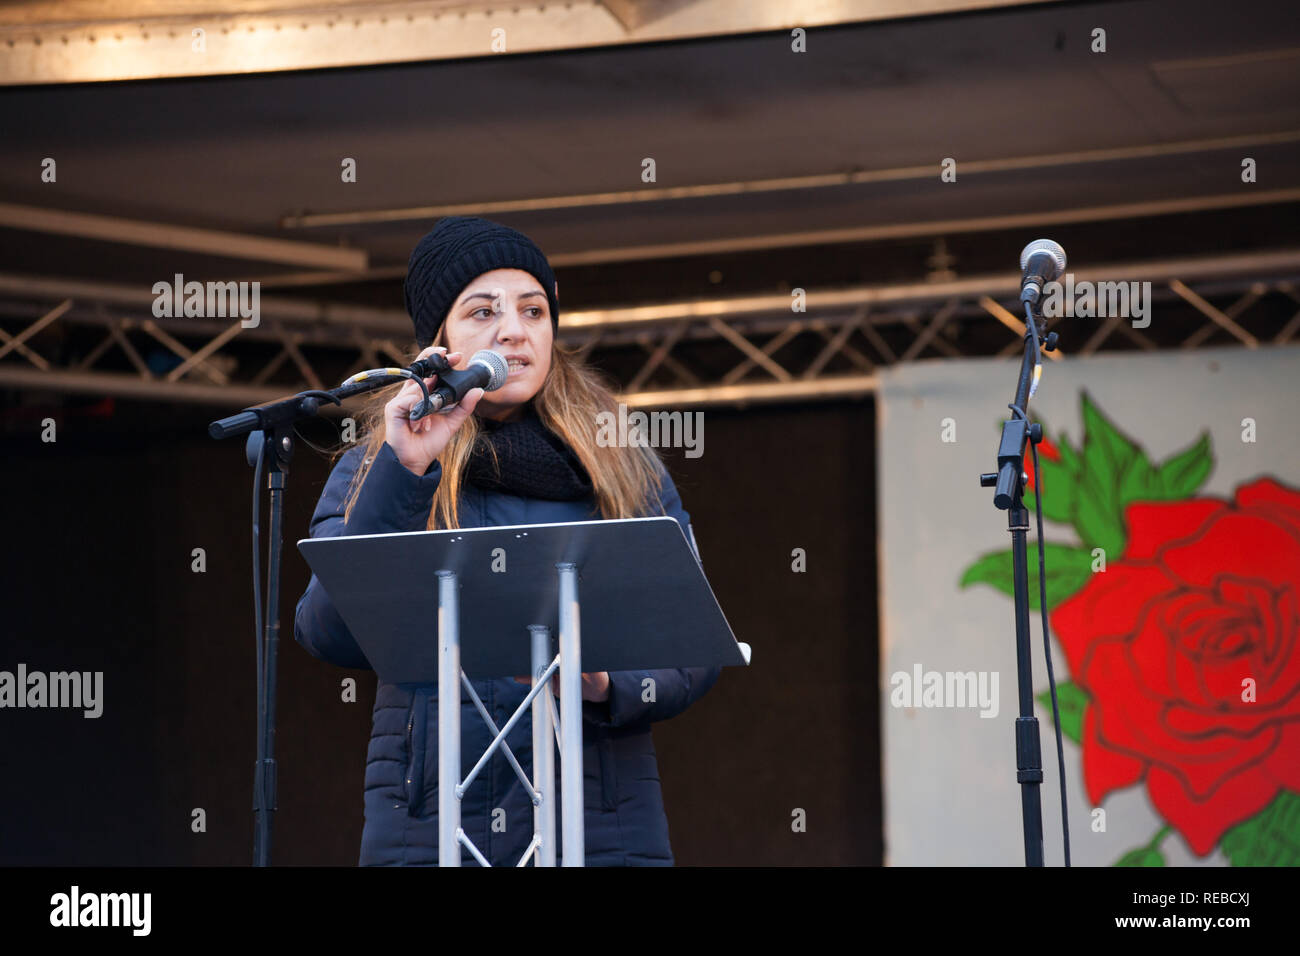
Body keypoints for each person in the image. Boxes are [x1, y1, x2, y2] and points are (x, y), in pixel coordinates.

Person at [293, 215, 721, 866]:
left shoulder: (619, 458)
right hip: (429, 833)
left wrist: (606, 683)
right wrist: (404, 471)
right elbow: (328, 629)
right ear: (438, 342)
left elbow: (692, 645)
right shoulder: (381, 461)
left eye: (533, 310)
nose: (514, 331)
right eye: (483, 311)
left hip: (599, 831)